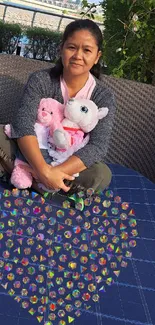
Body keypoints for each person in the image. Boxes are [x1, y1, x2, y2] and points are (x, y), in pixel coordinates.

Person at [3, 19, 116, 194]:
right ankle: (46, 184)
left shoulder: (103, 97)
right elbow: (23, 125)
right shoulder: (41, 80)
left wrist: (54, 172)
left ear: (97, 57)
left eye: (87, 50)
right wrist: (43, 171)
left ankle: (33, 180)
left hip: (68, 164)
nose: (78, 55)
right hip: (31, 154)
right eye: (72, 47)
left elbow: (98, 146)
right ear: (61, 49)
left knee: (101, 174)